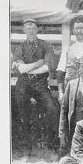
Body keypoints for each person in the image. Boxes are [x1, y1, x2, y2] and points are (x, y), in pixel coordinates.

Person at [12, 19, 59, 151]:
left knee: (52, 109)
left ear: (37, 29)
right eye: (27, 28)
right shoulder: (20, 47)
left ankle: (51, 145)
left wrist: (29, 68)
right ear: (24, 31)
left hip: (40, 84)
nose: (30, 31)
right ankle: (27, 148)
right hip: (24, 84)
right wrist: (37, 63)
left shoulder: (46, 45)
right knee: (23, 114)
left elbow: (48, 67)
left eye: (33, 28)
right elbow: (20, 69)